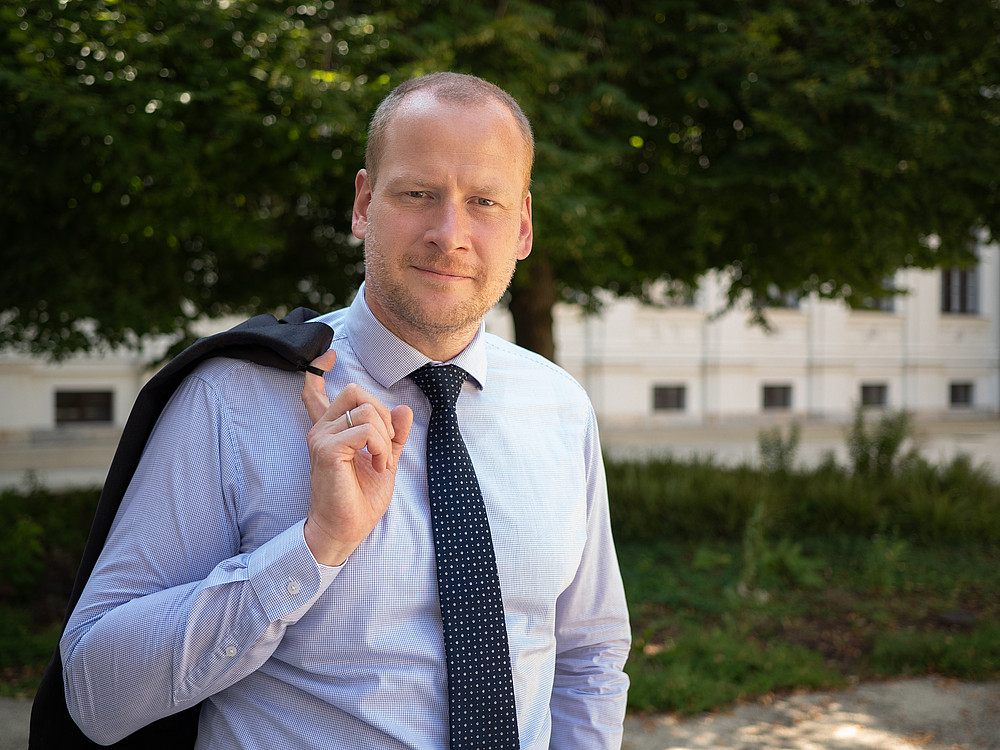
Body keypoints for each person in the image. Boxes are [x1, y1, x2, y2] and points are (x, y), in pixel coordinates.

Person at [60, 72, 631, 749]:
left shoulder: (559, 406)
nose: (450, 234)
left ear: (523, 227)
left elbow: (589, 657)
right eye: (418, 194)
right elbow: (94, 692)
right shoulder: (232, 397)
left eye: (484, 201)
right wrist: (312, 548)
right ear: (363, 204)